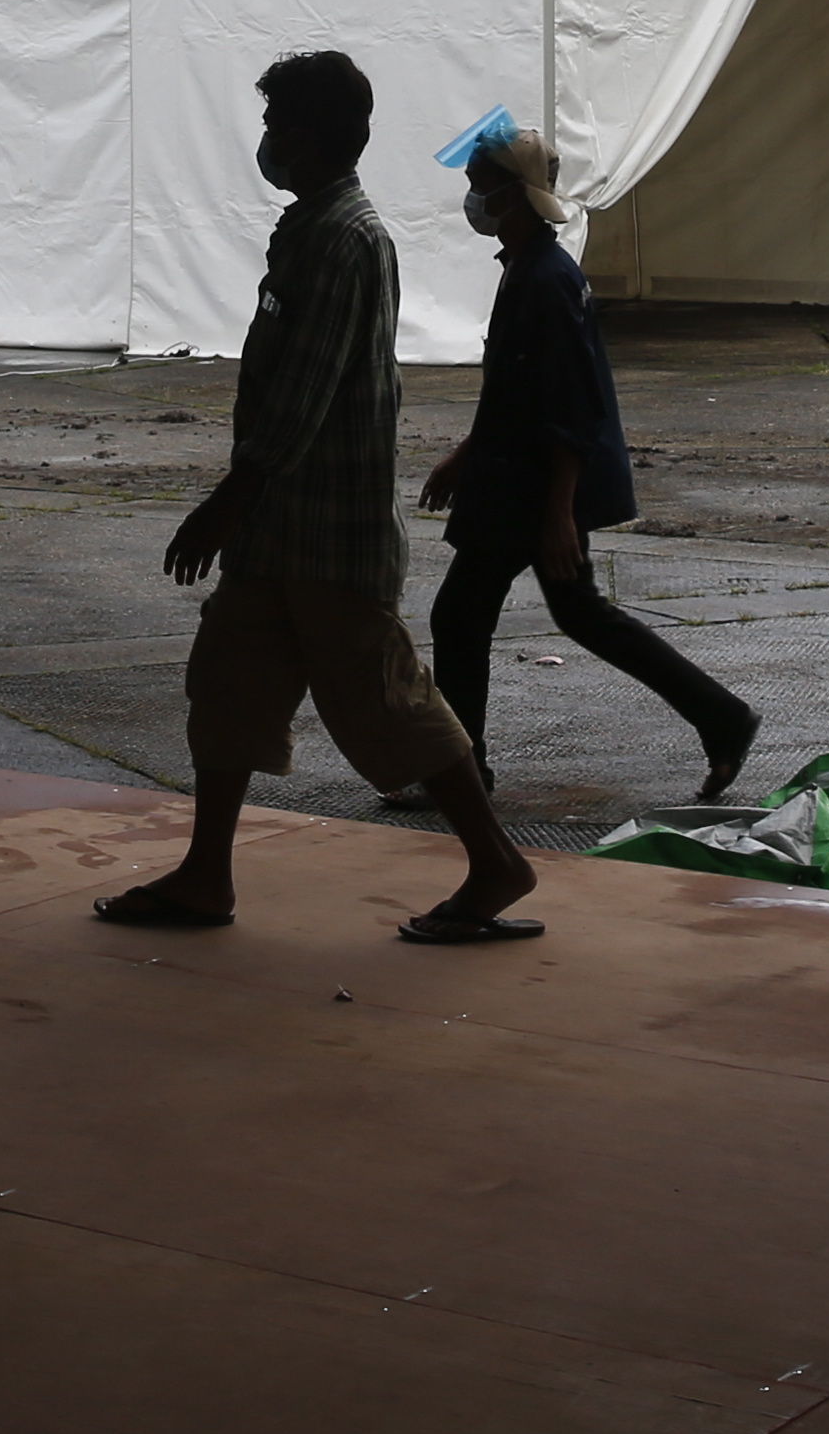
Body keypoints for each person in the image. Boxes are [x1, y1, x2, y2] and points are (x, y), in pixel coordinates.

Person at [98, 50, 542, 945]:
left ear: (309, 134)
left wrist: (224, 502)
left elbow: (300, 399)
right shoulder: (310, 228)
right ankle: (205, 873)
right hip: (278, 537)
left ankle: (495, 859)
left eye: (273, 125)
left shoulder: (344, 237)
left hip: (328, 537)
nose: (264, 141)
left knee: (391, 703)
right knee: (226, 691)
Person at [413, 128, 760, 803]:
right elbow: (515, 389)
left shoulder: (545, 279)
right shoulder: (526, 266)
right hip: (515, 479)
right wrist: (466, 454)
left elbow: (570, 410)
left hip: (529, 490)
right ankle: (722, 716)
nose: (472, 197)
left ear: (512, 194)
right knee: (576, 616)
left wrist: (558, 516)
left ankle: (461, 773)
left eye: (480, 184)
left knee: (459, 616)